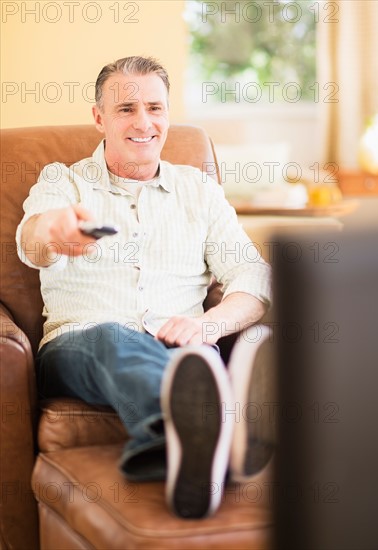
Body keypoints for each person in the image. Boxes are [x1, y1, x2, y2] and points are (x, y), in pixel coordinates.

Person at [16, 56, 273, 519]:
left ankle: (187, 453)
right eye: (126, 109)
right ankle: (218, 428)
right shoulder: (64, 181)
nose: (144, 122)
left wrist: (207, 326)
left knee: (212, 352)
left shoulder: (199, 190)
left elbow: (252, 276)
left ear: (168, 114)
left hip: (182, 346)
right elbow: (31, 242)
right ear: (99, 118)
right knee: (116, 338)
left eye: (155, 108)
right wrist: (56, 230)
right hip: (84, 343)